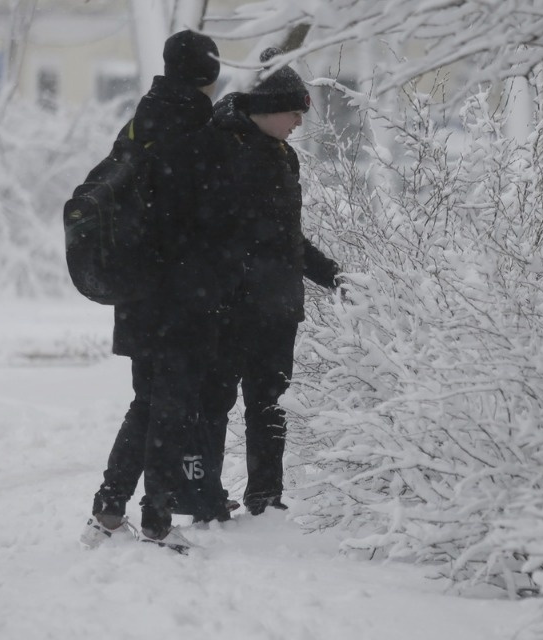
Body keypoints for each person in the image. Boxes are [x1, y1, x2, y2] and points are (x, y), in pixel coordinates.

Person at [80, 29, 228, 554]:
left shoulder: (142, 120)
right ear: (207, 74)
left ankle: (108, 510)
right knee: (172, 408)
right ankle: (158, 522)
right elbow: (200, 219)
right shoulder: (194, 128)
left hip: (140, 293)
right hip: (180, 296)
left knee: (147, 403)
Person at [185, 47, 342, 517]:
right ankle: (202, 496)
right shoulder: (217, 148)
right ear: (268, 108)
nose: (298, 121)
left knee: (272, 404)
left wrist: (332, 275)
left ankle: (266, 498)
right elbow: (210, 233)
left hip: (277, 307)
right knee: (214, 401)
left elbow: (286, 238)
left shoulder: (284, 157)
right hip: (228, 306)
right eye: (294, 111)